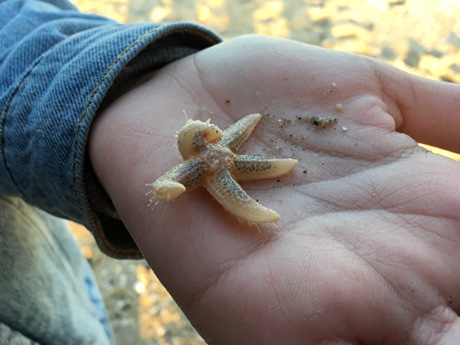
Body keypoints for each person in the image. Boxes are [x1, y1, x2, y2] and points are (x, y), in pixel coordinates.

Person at [2, 0, 460, 343]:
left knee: (74, 323)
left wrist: (114, 87)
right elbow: (177, 179)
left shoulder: (223, 153)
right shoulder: (209, 159)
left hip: (37, 275)